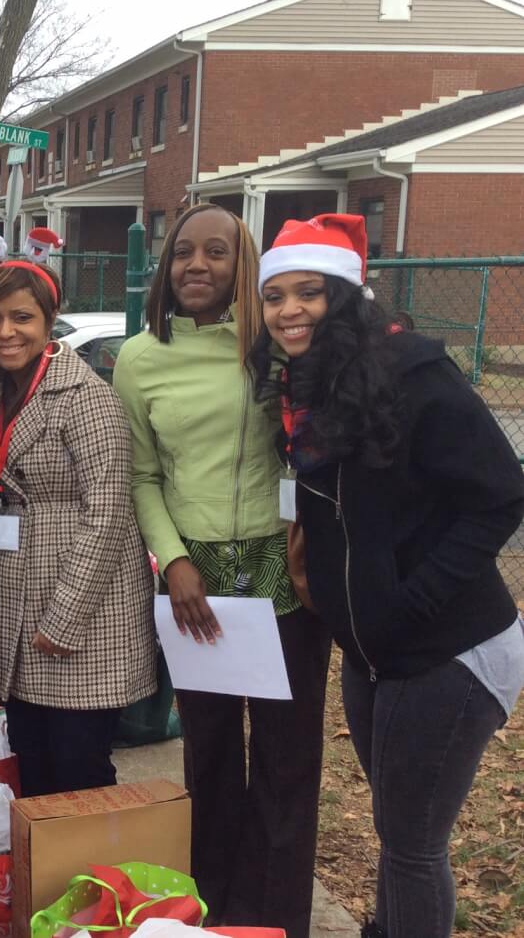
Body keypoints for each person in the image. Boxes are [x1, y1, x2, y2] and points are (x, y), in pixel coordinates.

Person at [250, 214, 524, 938]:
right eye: (274, 296)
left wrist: (413, 600)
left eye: (308, 292)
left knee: (412, 843)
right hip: (373, 650)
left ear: (344, 295)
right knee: (399, 828)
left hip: (448, 648)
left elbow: (501, 494)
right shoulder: (306, 391)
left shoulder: (415, 376)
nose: (288, 310)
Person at [112, 203, 331, 938]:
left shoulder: (276, 346)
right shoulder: (140, 358)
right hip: (194, 580)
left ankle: (277, 921)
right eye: (183, 252)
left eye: (216, 251)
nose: (197, 264)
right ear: (165, 266)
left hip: (282, 570)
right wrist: (172, 560)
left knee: (286, 759)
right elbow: (142, 474)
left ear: (244, 265)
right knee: (208, 755)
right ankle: (212, 912)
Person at [0, 259, 156, 796]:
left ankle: (97, 854)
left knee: (80, 765)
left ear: (50, 320)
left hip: (83, 612)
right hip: (18, 597)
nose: (6, 332)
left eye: (21, 317)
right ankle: (42, 853)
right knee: (32, 760)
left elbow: (108, 513)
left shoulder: (86, 397)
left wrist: (64, 619)